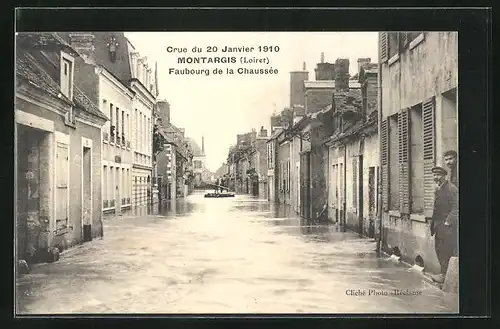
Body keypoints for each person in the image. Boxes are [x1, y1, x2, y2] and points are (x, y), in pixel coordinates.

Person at [430, 166, 459, 283]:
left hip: (447, 226)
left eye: (438, 175)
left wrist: (448, 222)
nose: (435, 177)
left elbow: (456, 207)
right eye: (434, 175)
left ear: (444, 176)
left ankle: (445, 276)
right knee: (439, 249)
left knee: (446, 250)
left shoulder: (451, 189)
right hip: (438, 226)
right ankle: (444, 274)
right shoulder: (438, 189)